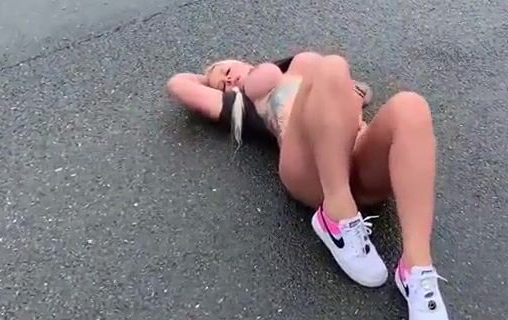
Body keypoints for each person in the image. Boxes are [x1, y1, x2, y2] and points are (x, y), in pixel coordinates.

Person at [166, 52, 449, 320]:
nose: (228, 79)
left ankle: (416, 269)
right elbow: (178, 84)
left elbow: (364, 92)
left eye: (227, 70)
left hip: (359, 161)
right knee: (332, 65)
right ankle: (336, 216)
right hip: (313, 172)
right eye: (222, 83)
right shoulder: (241, 103)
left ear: (241, 60)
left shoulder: (301, 69)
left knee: (411, 106)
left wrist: (347, 93)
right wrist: (208, 76)